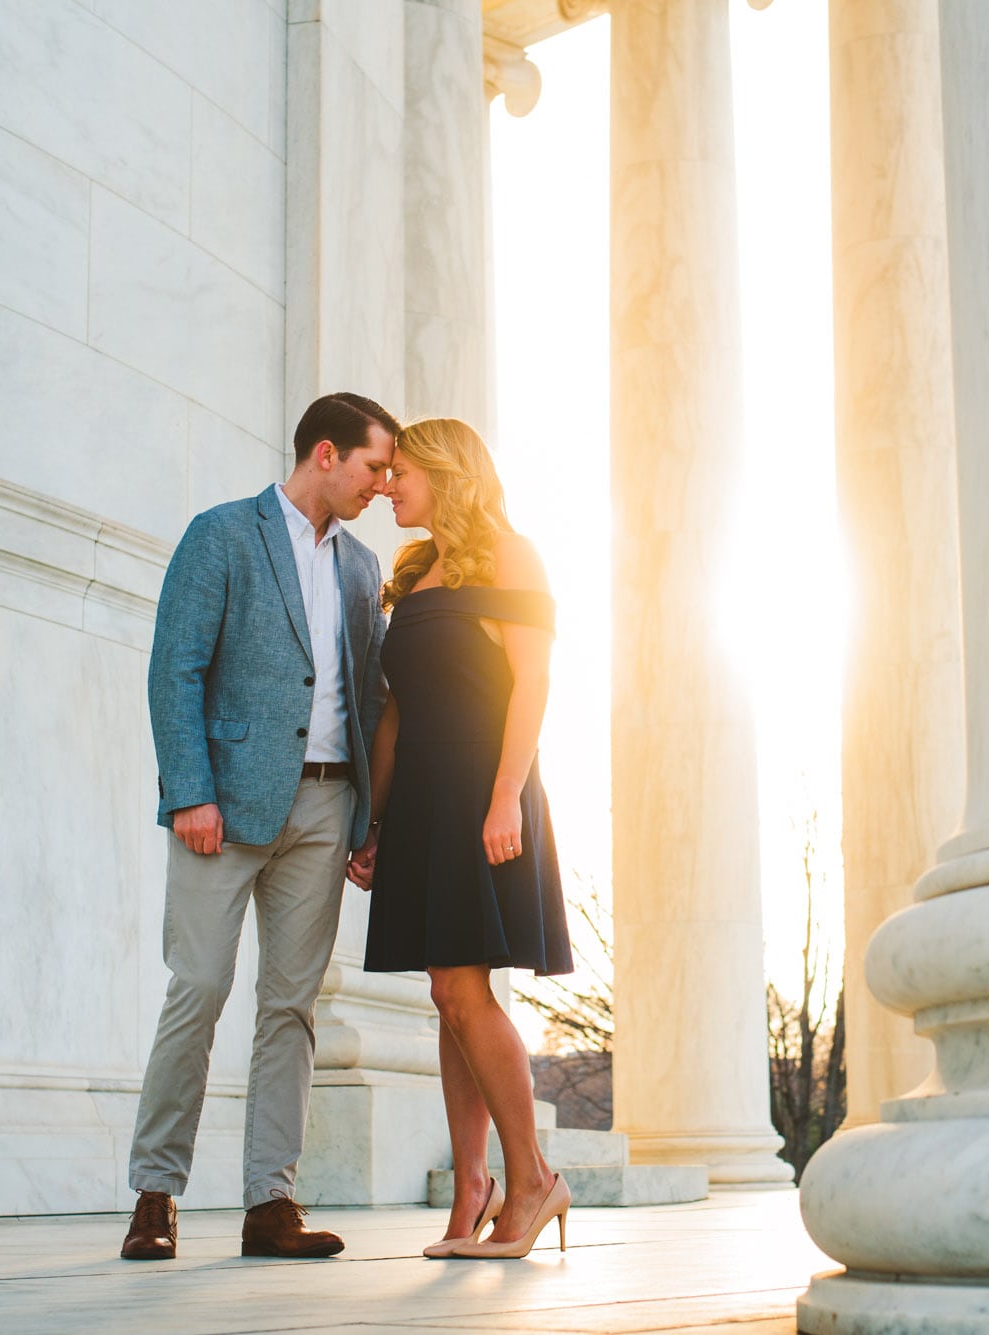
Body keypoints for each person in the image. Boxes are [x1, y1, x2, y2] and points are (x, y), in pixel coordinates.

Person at [121, 392, 398, 1261]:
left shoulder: (362, 566)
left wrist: (369, 817)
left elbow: (371, 697)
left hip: (326, 807)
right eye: (373, 466)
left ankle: (269, 1203)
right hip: (225, 803)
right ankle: (156, 1192)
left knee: (291, 1007)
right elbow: (177, 668)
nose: (382, 485)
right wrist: (190, 791)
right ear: (326, 453)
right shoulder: (222, 534)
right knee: (198, 988)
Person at [350, 416, 575, 1259]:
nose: (388, 485)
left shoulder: (513, 555)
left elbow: (533, 682)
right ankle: (473, 1186)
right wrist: (371, 818)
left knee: (460, 989)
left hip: (487, 792)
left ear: (446, 472)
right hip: (419, 804)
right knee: (447, 999)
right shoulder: (414, 572)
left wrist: (507, 794)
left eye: (400, 470)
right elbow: (397, 712)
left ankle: (534, 1182)